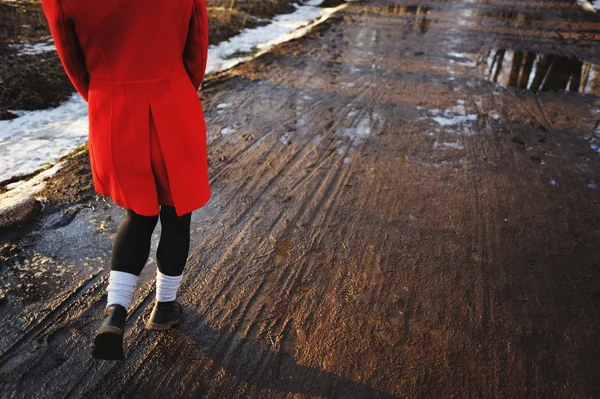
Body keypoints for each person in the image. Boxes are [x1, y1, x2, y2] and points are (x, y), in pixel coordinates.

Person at [41, 0, 210, 360]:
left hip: (114, 108)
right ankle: (164, 308)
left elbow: (72, 60)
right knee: (177, 212)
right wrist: (177, 88)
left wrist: (108, 93)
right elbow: (196, 47)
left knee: (139, 213)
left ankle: (115, 312)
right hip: (174, 99)